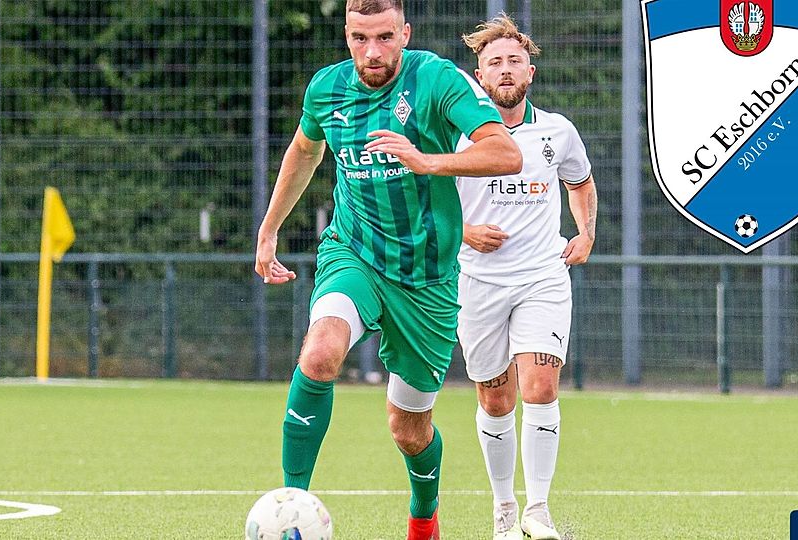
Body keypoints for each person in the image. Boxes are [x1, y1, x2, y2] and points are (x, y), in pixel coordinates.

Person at [254, 1, 523, 538]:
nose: (371, 52)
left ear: (405, 33)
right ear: (346, 35)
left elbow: (505, 153)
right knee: (320, 351)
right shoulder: (327, 89)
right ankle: (292, 507)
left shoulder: (436, 80)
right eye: (360, 39)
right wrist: (268, 229)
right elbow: (304, 152)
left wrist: (428, 160)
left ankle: (424, 515)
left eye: (383, 37)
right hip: (353, 251)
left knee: (409, 429)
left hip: (427, 279)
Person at [456, 15, 598, 540]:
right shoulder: (458, 134)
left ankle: (538, 510)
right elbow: (426, 197)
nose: (505, 69)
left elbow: (580, 183)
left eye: (514, 60)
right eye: (494, 62)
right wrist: (466, 232)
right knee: (495, 399)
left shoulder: (558, 131)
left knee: (539, 386)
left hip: (542, 277)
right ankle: (504, 509)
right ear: (480, 75)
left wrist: (586, 232)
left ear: (530, 71)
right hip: (477, 282)